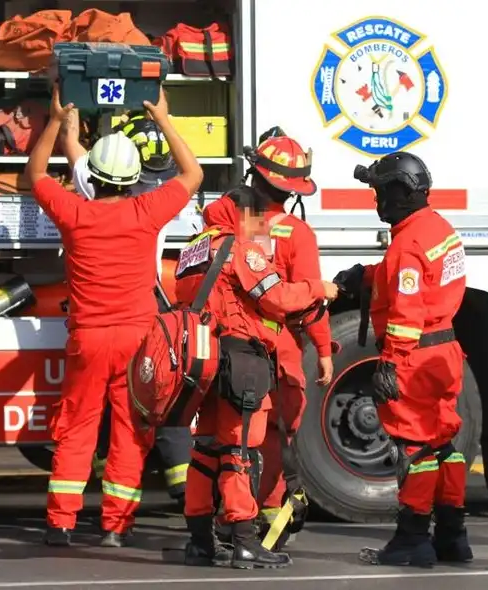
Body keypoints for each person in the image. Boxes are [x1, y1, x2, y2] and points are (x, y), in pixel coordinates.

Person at [29, 85, 203, 547]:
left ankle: (60, 524)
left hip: (88, 340)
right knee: (131, 431)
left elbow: (36, 174)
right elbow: (193, 174)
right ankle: (115, 529)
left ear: (94, 177)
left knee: (76, 428)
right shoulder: (148, 211)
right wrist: (164, 118)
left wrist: (55, 120)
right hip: (136, 341)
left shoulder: (74, 213)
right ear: (131, 179)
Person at [175, 189, 339, 569]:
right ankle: (245, 540)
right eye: (259, 221)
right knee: (240, 450)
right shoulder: (240, 248)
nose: (262, 230)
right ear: (244, 216)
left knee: (204, 451)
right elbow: (278, 297)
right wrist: (319, 289)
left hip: (203, 360)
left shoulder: (192, 250)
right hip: (239, 361)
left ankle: (200, 540)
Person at [332, 151, 469, 567]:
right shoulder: (437, 228)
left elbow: (408, 307)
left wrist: (390, 362)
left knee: (414, 447)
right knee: (444, 442)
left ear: (398, 192)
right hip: (444, 351)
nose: (377, 201)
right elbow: (422, 280)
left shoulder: (407, 243)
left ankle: (412, 537)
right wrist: (371, 277)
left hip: (415, 355)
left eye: (379, 191)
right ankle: (452, 535)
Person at [59, 108, 194, 501]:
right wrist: (167, 117)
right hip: (143, 309)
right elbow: (193, 174)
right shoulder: (160, 204)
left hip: (95, 315)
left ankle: (92, 486)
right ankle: (182, 488)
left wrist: (64, 110)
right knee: (152, 403)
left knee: (90, 412)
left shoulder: (90, 192)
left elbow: (71, 147)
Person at [241, 127, 334, 548]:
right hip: (282, 350)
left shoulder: (246, 226)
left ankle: (234, 519)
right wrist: (324, 349)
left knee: (239, 435)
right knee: (279, 437)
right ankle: (269, 527)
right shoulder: (298, 233)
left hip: (239, 346)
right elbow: (309, 298)